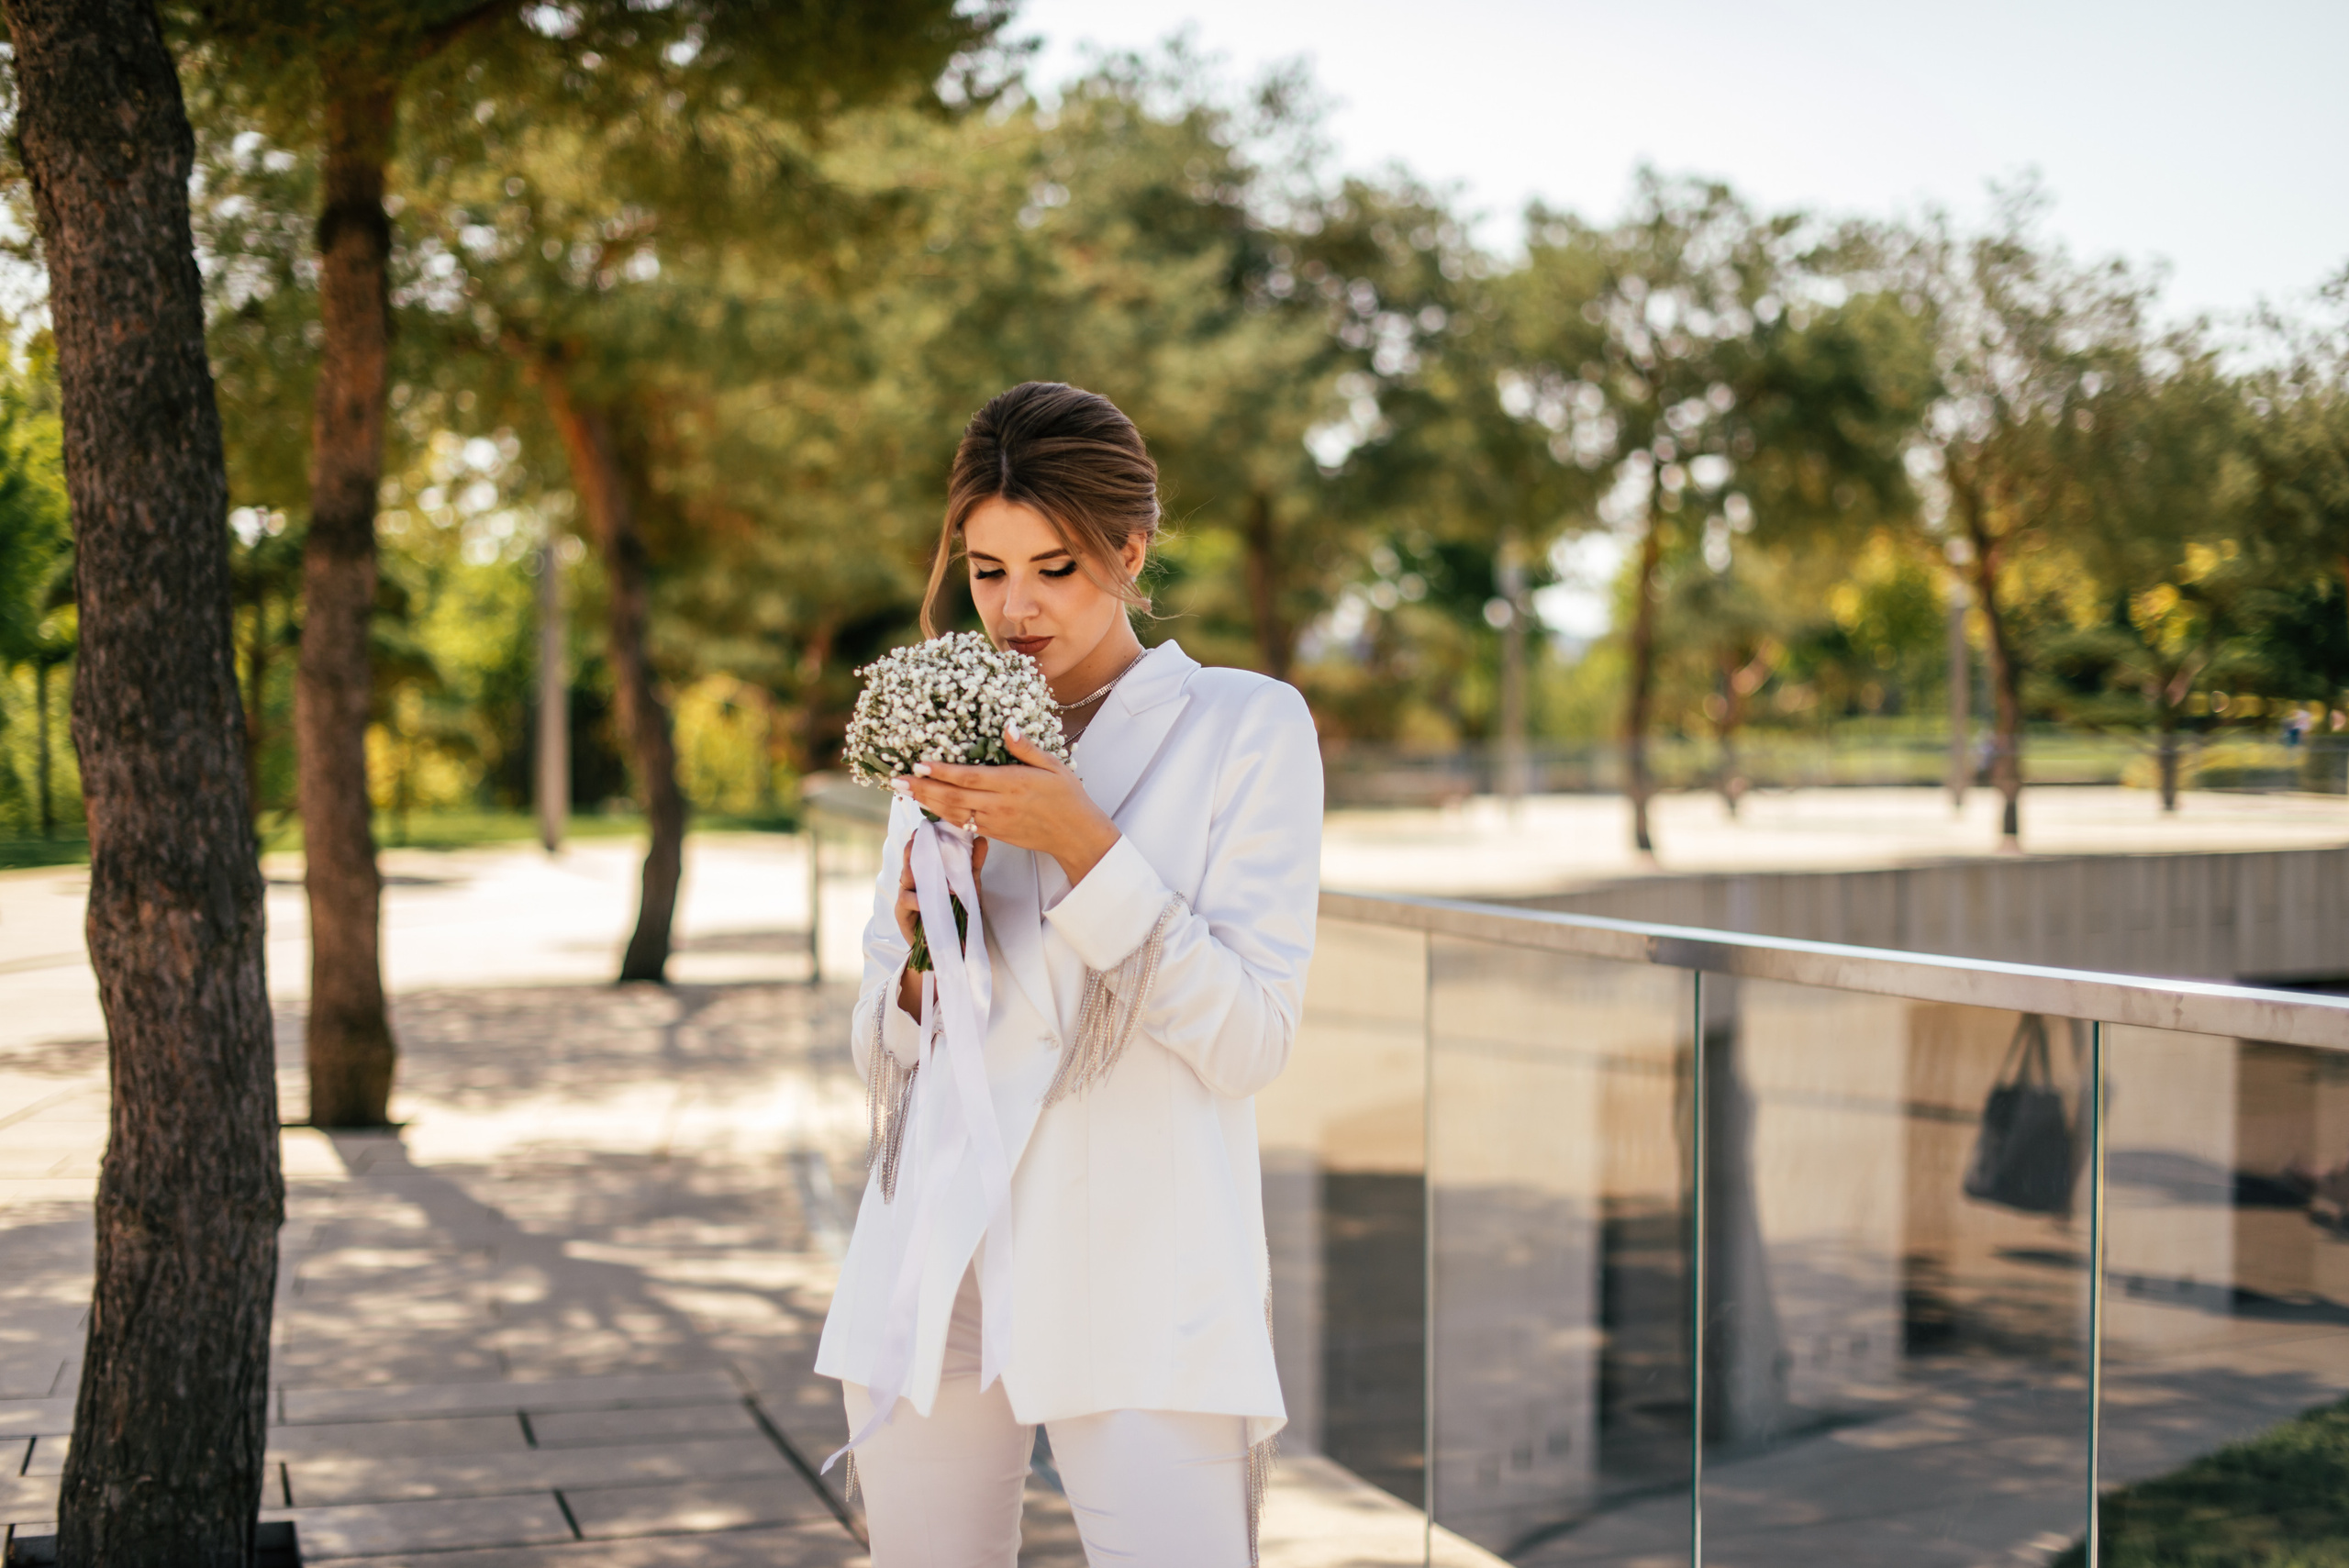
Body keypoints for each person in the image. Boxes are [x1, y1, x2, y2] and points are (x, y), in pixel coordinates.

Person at [814, 382, 1324, 1566]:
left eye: (1055, 566)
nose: (1016, 608)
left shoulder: (1246, 727)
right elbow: (881, 1054)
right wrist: (916, 959)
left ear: (1131, 547)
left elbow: (1250, 1038)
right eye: (987, 571)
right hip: (936, 1262)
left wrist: (1083, 841)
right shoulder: (946, 721)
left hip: (1141, 1269)